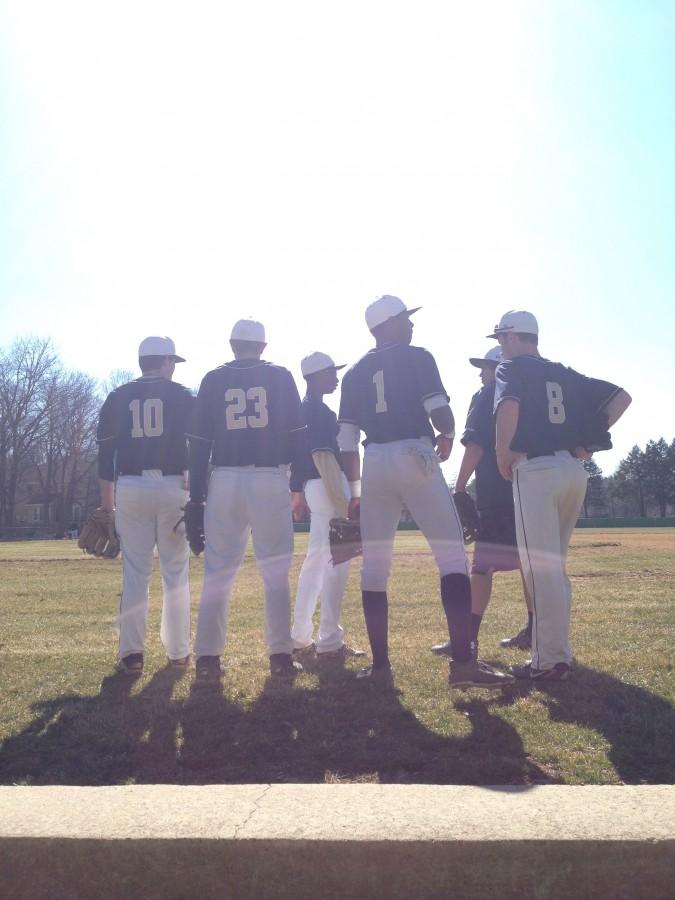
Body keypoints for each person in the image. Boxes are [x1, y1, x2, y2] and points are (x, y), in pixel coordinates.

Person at [337, 294, 513, 687]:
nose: (411, 324)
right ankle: (463, 666)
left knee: (375, 567)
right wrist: (447, 435)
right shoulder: (418, 356)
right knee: (451, 557)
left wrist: (355, 490)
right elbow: (440, 412)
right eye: (404, 318)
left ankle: (380, 668)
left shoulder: (353, 374)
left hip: (375, 461)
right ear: (388, 325)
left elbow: (347, 439)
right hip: (414, 452)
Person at [490, 309, 631, 680]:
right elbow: (621, 398)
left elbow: (509, 405)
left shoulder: (512, 368)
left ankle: (549, 660)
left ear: (516, 337)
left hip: (536, 470)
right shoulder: (564, 372)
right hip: (573, 470)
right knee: (554, 568)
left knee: (541, 571)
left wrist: (501, 452)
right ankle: (557, 652)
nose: (501, 347)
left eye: (503, 338)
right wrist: (588, 444)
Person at [187, 319, 306, 683]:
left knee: (218, 572)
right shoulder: (281, 376)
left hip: (224, 478)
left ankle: (207, 658)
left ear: (232, 344)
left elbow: (199, 444)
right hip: (269, 478)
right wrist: (298, 484)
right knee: (275, 573)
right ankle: (280, 656)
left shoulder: (212, 379)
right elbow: (299, 435)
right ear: (263, 346)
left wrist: (196, 498)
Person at [96, 336, 194, 676]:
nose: (173, 367)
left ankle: (132, 655)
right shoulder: (182, 395)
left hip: (131, 487)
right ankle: (179, 653)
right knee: (175, 573)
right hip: (171, 486)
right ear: (165, 361)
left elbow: (105, 457)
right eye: (173, 361)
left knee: (136, 573)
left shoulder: (117, 396)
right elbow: (198, 447)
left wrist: (108, 508)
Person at [431, 345, 533, 658]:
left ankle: (465, 638)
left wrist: (459, 487)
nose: (481, 373)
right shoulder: (527, 395)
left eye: (486, 367)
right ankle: (536, 629)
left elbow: (475, 446)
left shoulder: (487, 394)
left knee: (481, 568)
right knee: (530, 565)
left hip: (496, 494)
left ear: (498, 369)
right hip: (529, 490)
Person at [290, 352, 366, 659]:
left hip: (312, 487)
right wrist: (344, 503)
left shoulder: (300, 411)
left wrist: (296, 491)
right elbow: (324, 457)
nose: (335, 377)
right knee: (337, 565)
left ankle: (299, 637)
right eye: (330, 373)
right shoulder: (319, 412)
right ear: (314, 377)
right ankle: (329, 640)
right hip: (328, 485)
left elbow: (297, 458)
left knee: (316, 563)